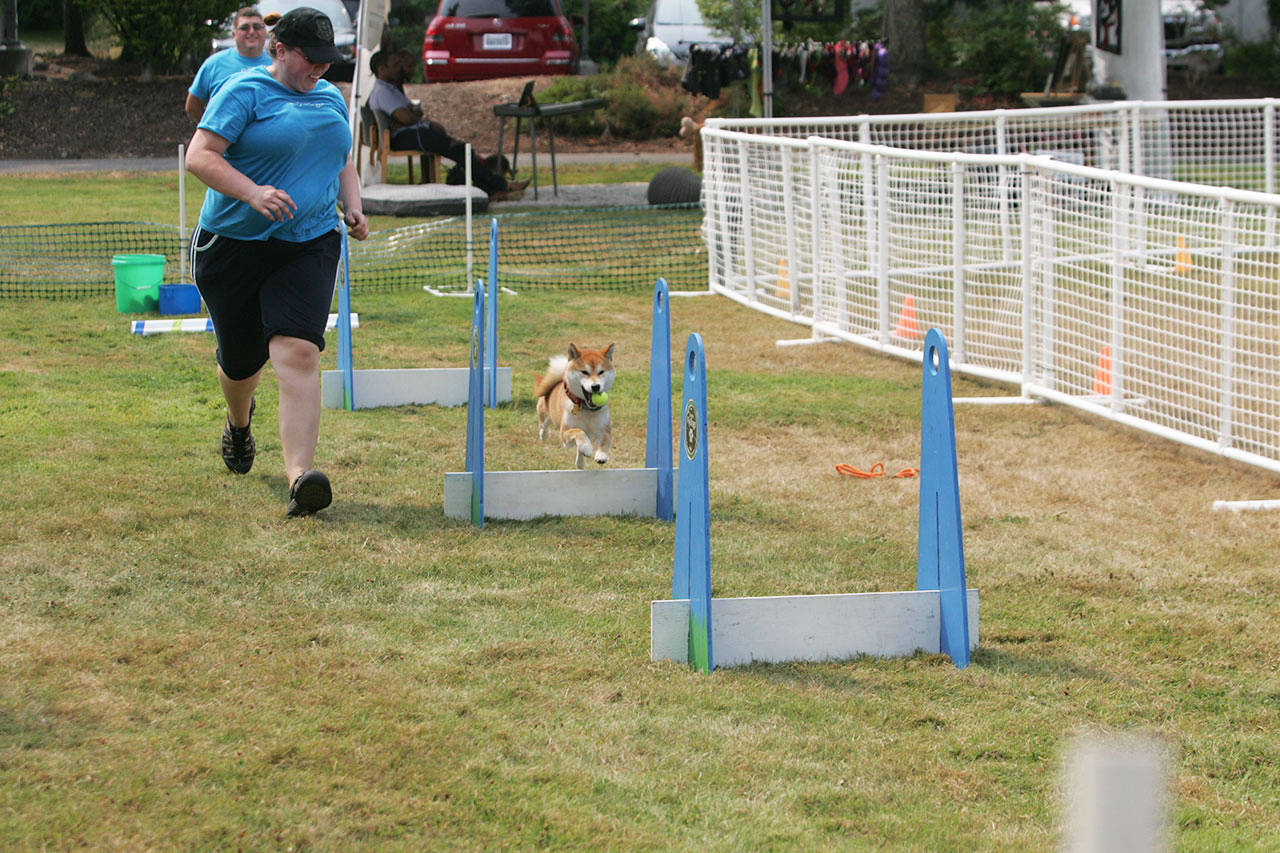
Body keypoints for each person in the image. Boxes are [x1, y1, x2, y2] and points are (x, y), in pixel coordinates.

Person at [185, 6, 369, 518]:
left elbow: (341, 159)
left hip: (307, 243)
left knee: (297, 352)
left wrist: (351, 204)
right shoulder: (243, 92)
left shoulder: (329, 97)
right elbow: (199, 156)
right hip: (233, 245)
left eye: (328, 61)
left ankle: (300, 478)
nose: (321, 70)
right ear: (279, 49)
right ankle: (239, 424)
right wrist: (252, 193)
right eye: (311, 60)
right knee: (242, 361)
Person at [365, 49, 529, 200]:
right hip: (407, 137)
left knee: (461, 150)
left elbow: (410, 112)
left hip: (414, 132)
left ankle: (493, 189)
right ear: (382, 69)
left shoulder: (391, 89)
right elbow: (406, 117)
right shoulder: (382, 92)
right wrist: (417, 118)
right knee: (459, 149)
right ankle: (500, 186)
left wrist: (412, 115)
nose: (398, 69)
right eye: (394, 65)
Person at [185, 6, 272, 121]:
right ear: (234, 34)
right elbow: (192, 106)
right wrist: (212, 130)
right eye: (244, 28)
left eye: (257, 27)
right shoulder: (214, 64)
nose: (251, 32)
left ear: (264, 32)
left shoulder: (275, 64)